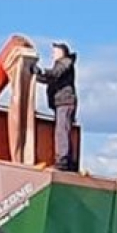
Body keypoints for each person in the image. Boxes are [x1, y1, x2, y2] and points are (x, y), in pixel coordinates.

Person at [33, 41, 78, 171]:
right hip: (62, 103)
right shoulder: (61, 65)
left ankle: (63, 160)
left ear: (62, 52)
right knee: (63, 130)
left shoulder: (65, 63)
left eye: (55, 51)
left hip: (65, 102)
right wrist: (37, 75)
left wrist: (40, 71)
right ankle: (65, 159)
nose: (53, 54)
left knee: (62, 131)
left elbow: (54, 74)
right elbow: (50, 78)